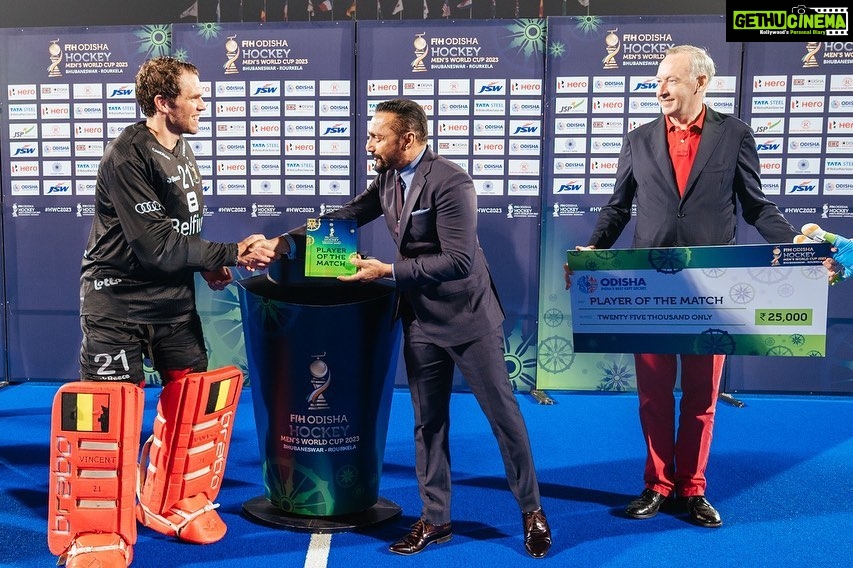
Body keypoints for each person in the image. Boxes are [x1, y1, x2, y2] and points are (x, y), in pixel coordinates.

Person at [263, 98, 551, 558]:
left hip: (468, 319)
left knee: (505, 419)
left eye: (377, 136)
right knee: (427, 423)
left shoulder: (453, 182)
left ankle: (532, 512)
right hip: (420, 320)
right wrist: (283, 242)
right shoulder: (388, 179)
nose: (368, 144)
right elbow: (347, 216)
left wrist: (388, 271)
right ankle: (435, 519)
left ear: (408, 139)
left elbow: (457, 261)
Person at [47, 56, 275, 567]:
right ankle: (95, 531)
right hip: (117, 304)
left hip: (172, 304)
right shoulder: (126, 157)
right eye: (194, 96)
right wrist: (229, 254)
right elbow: (155, 247)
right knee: (107, 419)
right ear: (163, 103)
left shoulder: (182, 148)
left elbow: (180, 234)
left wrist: (208, 268)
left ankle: (169, 502)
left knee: (193, 408)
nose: (203, 103)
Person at [566, 45, 800, 528]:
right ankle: (657, 484)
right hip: (650, 284)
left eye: (670, 80)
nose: (660, 89)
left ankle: (692, 487)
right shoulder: (638, 139)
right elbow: (617, 207)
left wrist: (797, 247)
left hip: (714, 286)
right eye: (658, 80)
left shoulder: (734, 134)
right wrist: (594, 248)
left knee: (701, 396)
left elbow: (755, 206)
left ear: (700, 83)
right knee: (652, 395)